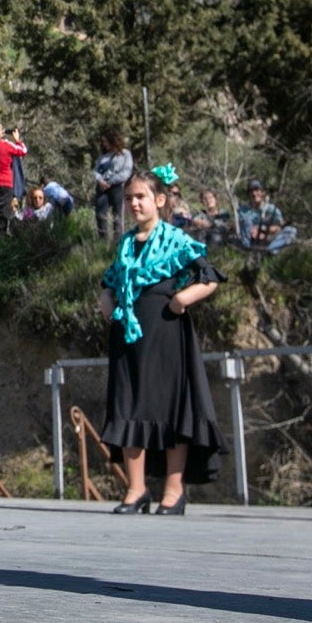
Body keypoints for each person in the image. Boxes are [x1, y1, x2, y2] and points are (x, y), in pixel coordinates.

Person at [98, 170, 227, 516]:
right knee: (129, 406)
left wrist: (183, 299)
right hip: (128, 336)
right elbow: (109, 281)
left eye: (140, 197)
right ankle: (136, 489)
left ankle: (173, 491)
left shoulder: (175, 239)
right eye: (128, 198)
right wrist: (107, 303)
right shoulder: (126, 243)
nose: (133, 203)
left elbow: (209, 277)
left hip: (167, 333)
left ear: (159, 200)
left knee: (171, 409)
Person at [93, 129, 134, 239]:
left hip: (117, 187)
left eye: (106, 141)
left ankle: (118, 240)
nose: (104, 144)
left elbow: (126, 172)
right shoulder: (102, 156)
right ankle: (102, 240)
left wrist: (111, 182)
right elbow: (95, 171)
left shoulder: (125, 154)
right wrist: (100, 181)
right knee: (100, 214)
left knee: (118, 214)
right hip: (102, 188)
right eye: (103, 142)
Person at [236, 179, 296, 253]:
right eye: (251, 191)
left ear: (263, 192)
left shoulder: (272, 209)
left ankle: (269, 250)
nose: (254, 194)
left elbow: (278, 227)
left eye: (257, 190)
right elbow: (244, 227)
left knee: (291, 231)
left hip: (268, 238)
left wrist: (262, 230)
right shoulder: (243, 210)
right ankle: (251, 249)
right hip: (251, 240)